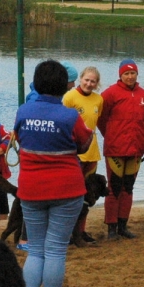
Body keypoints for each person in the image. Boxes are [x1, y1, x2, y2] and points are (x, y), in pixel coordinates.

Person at [14, 60, 93, 287]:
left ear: (36, 83)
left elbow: (20, 139)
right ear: (64, 87)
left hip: (31, 188)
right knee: (56, 249)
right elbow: (83, 145)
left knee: (35, 250)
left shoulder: (23, 112)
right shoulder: (70, 116)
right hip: (66, 188)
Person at [98, 59, 144, 240]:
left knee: (128, 188)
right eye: (126, 73)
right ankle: (111, 228)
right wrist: (111, 136)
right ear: (120, 75)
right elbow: (100, 118)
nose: (130, 76)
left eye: (132, 73)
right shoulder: (110, 93)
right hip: (115, 149)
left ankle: (123, 226)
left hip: (136, 150)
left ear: (137, 74)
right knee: (114, 188)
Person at [63, 66, 103, 244]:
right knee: (72, 196)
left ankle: (81, 230)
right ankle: (68, 232)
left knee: (87, 196)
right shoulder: (70, 97)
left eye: (93, 81)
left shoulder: (98, 99)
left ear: (96, 84)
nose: (89, 83)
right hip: (75, 154)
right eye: (86, 80)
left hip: (92, 153)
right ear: (80, 79)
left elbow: (93, 124)